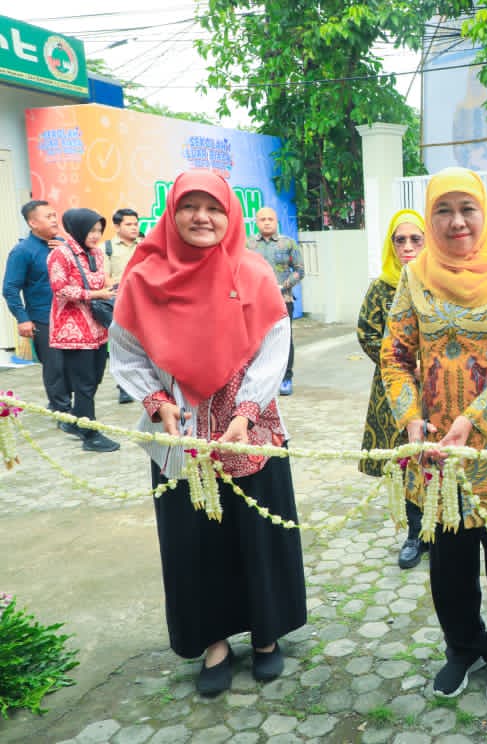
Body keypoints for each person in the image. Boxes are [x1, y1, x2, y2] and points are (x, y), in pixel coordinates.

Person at [109, 170, 307, 697]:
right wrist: (156, 402)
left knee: (257, 536)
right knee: (195, 543)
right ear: (171, 213)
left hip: (250, 433)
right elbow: (125, 349)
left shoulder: (253, 270)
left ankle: (266, 636)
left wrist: (246, 411)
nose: (203, 217)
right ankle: (214, 643)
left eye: (214, 207)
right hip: (181, 437)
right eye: (190, 207)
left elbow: (274, 343)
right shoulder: (143, 277)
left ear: (230, 214)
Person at [379, 167, 487, 706]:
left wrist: (474, 419)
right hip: (438, 451)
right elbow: (395, 354)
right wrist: (411, 417)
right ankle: (462, 648)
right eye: (443, 210)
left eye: (467, 209)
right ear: (430, 217)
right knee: (449, 564)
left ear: (485, 212)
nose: (457, 222)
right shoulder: (416, 276)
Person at [356, 209, 428, 569]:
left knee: (439, 458)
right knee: (405, 461)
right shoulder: (382, 287)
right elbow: (366, 332)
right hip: (394, 390)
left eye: (416, 239)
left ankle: (444, 532)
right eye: (400, 240)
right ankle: (415, 534)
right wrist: (404, 365)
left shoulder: (440, 282)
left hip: (440, 389)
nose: (408, 246)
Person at [47, 208, 120, 453]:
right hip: (73, 331)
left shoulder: (97, 252)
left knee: (95, 378)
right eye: (91, 230)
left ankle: (75, 422)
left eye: (99, 230)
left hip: (97, 326)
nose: (96, 235)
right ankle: (90, 435)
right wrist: (95, 294)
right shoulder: (60, 253)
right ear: (77, 229)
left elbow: (101, 280)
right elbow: (60, 289)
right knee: (84, 383)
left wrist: (112, 288)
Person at [3, 200, 71, 426]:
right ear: (33, 223)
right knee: (55, 368)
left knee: (74, 367)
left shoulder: (62, 245)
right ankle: (63, 413)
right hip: (44, 318)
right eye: (48, 216)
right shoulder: (22, 251)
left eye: (54, 215)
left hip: (71, 316)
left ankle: (62, 404)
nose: (54, 220)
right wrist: (22, 319)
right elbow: (10, 288)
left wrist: (67, 252)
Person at [248, 206, 303, 396]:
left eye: (270, 219)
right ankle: (260, 379)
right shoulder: (248, 245)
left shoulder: (288, 243)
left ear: (276, 221)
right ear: (257, 222)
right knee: (257, 340)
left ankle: (286, 377)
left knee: (284, 339)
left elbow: (299, 270)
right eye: (262, 219)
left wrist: (283, 286)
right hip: (255, 301)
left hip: (282, 300)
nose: (266, 223)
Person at [106, 207, 142, 403]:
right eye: (129, 224)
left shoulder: (145, 245)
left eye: (136, 224)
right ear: (117, 226)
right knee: (123, 345)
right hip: (120, 302)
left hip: (145, 302)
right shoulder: (107, 248)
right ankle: (124, 387)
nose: (134, 228)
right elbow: (105, 278)